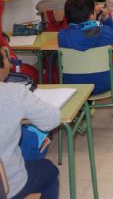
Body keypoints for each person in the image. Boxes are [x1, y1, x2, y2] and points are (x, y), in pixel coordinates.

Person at [0, 45, 61, 199]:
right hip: (8, 186)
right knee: (49, 171)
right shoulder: (14, 93)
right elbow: (52, 120)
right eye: (6, 58)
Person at [58, 0, 113, 93]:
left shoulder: (62, 35)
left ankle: (83, 105)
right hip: (102, 84)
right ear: (91, 15)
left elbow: (78, 30)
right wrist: (105, 17)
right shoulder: (104, 32)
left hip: (72, 85)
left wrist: (93, 15)